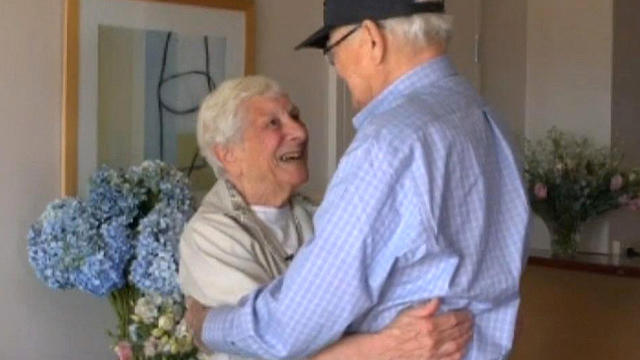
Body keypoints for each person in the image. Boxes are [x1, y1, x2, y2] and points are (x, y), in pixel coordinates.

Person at [185, 0, 530, 358]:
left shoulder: (391, 144)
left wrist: (206, 324)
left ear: (371, 39)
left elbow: (292, 325)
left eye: (333, 52)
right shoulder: (487, 120)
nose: (337, 69)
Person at [179, 75, 473, 360]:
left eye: (295, 116)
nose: (300, 132)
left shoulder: (320, 214)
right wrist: (384, 349)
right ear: (228, 153)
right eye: (273, 123)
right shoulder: (208, 236)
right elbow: (269, 347)